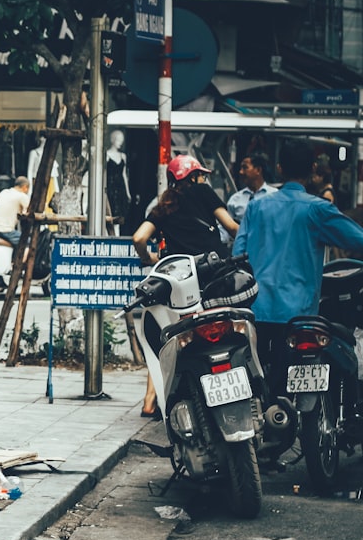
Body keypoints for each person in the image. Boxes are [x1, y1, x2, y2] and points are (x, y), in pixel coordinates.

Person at [234, 139, 363, 395]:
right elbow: (357, 238)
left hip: (256, 310)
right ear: (313, 168)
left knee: (258, 382)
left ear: (280, 169)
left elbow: (238, 255)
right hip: (299, 315)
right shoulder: (317, 209)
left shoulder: (256, 207)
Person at [132, 154, 240, 418]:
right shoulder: (204, 192)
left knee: (169, 336)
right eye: (200, 175)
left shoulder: (163, 206)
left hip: (178, 284)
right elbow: (231, 226)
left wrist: (150, 258)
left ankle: (150, 400)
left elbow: (139, 237)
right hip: (212, 279)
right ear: (193, 177)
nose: (202, 179)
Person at [226, 152, 277, 228]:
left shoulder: (275, 196)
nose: (241, 172)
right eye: (241, 168)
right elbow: (225, 228)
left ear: (258, 170)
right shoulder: (235, 199)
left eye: (245, 167)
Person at [0, 176, 30, 246]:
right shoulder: (22, 196)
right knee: (29, 242)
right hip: (5, 231)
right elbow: (29, 212)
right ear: (25, 187)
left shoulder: (4, 192)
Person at [105, 130, 130, 234]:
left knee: (120, 214)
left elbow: (124, 174)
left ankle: (117, 234)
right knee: (110, 212)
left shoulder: (123, 156)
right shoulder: (106, 154)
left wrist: (128, 192)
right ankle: (110, 234)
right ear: (113, 140)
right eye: (118, 140)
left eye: (121, 140)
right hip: (110, 186)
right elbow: (104, 173)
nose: (120, 143)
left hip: (120, 188)